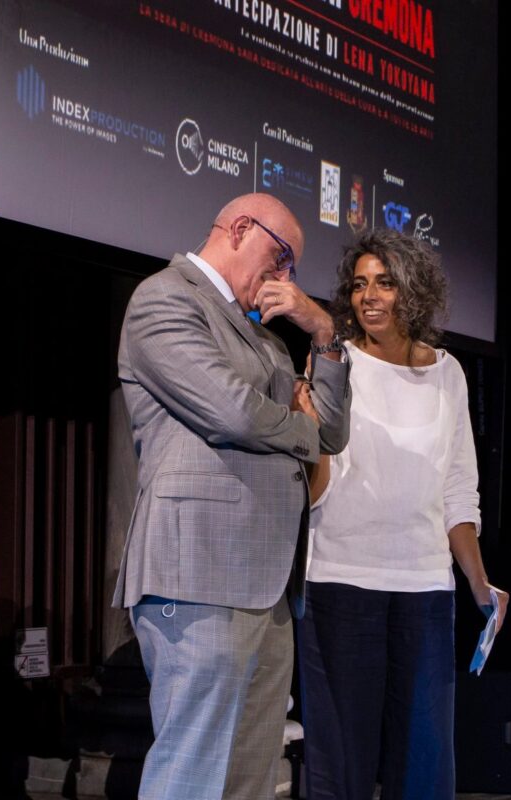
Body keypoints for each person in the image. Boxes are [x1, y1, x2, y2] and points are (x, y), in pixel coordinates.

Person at [113, 193, 351, 800]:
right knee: (191, 773)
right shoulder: (165, 298)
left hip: (266, 585)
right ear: (241, 228)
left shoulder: (266, 340)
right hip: (199, 575)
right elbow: (233, 414)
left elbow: (331, 432)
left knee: (248, 778)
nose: (285, 278)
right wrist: (299, 433)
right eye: (280, 257)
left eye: (294, 267)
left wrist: (323, 333)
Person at [297, 228, 508, 800]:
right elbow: (315, 487)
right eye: (360, 284)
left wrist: (477, 580)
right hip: (340, 583)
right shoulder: (335, 361)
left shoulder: (448, 374)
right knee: (341, 766)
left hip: (424, 591)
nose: (370, 296)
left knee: (425, 767)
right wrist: (306, 436)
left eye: (385, 283)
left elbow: (459, 488)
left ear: (411, 292)